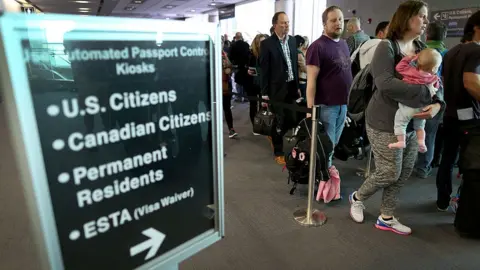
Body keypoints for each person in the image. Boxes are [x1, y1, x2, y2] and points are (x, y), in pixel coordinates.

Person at [349, 0, 444, 235]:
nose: (425, 21)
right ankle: (358, 197)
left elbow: (435, 79)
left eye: (426, 16)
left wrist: (437, 104)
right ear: (406, 18)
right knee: (389, 171)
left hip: (412, 123)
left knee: (402, 173)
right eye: (421, 16)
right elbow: (385, 84)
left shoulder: (422, 48)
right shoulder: (387, 48)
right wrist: (426, 95)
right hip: (384, 121)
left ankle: (387, 216)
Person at [440, 11, 480, 225]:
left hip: (450, 113)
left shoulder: (451, 51)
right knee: (469, 163)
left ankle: (442, 200)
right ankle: (461, 202)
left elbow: (446, 81)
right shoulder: (476, 51)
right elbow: (471, 82)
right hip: (470, 118)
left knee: (447, 160)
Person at [306, 6, 352, 182]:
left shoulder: (343, 44)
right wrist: (311, 110)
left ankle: (325, 174)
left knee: (332, 145)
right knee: (326, 147)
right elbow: (311, 81)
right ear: (324, 24)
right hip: (326, 106)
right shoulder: (317, 47)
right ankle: (323, 179)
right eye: (333, 20)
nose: (338, 23)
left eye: (340, 19)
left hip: (342, 105)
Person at [260, 12, 300, 165]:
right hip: (276, 88)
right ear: (275, 25)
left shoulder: (293, 41)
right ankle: (278, 151)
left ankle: (273, 134)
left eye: (288, 23)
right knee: (278, 120)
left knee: (292, 118)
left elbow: (294, 65)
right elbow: (264, 70)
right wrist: (264, 93)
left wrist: (297, 87)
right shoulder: (267, 44)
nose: (286, 26)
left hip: (291, 86)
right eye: (283, 23)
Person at [414, 21, 448, 178]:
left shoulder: (419, 52)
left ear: (427, 34)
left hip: (416, 97)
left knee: (413, 131)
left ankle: (411, 163)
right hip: (437, 99)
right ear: (445, 36)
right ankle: (423, 166)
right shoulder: (448, 54)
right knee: (430, 135)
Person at [389, 48, 441, 152]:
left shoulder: (410, 72)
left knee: (400, 122)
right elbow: (436, 89)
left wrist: (409, 58)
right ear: (434, 68)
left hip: (407, 107)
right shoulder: (433, 78)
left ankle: (401, 141)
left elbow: (399, 68)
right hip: (422, 108)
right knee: (420, 126)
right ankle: (421, 142)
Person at [246, 34, 269, 134]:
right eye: (261, 42)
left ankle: (261, 125)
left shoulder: (267, 53)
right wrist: (247, 71)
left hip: (263, 83)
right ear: (256, 43)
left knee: (263, 105)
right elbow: (246, 67)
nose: (262, 44)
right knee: (253, 105)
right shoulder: (251, 54)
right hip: (252, 83)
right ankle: (255, 127)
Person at [222, 51, 238, 138]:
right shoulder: (210, 56)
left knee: (227, 108)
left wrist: (229, 70)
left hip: (225, 86)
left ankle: (231, 129)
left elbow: (229, 69)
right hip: (215, 86)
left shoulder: (224, 55)